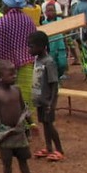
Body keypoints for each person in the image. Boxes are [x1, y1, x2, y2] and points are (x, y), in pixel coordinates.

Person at [0, 60, 52, 173]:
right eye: (10, 74)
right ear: (0, 77)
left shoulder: (17, 90)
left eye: (14, 72)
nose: (14, 75)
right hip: (5, 135)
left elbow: (24, 109)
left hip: (19, 132)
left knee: (23, 160)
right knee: (7, 163)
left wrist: (31, 123)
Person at [0, 0, 38, 103]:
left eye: (3, 4)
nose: (2, 7)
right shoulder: (28, 20)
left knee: (10, 100)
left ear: (7, 5)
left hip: (7, 69)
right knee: (27, 99)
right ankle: (30, 120)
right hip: (28, 65)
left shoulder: (2, 21)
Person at [28, 31, 64, 161]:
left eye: (31, 46)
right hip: (40, 100)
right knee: (44, 123)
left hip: (47, 101)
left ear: (41, 46)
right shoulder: (38, 60)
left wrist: (51, 104)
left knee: (49, 124)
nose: (29, 49)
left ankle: (59, 150)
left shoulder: (49, 62)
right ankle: (49, 148)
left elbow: (54, 84)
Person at [41, 0, 68, 78]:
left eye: (52, 10)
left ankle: (60, 74)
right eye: (48, 11)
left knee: (62, 63)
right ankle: (56, 79)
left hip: (61, 46)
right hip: (51, 47)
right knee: (53, 64)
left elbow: (64, 33)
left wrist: (66, 44)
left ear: (55, 11)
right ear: (45, 13)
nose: (50, 13)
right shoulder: (44, 24)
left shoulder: (60, 20)